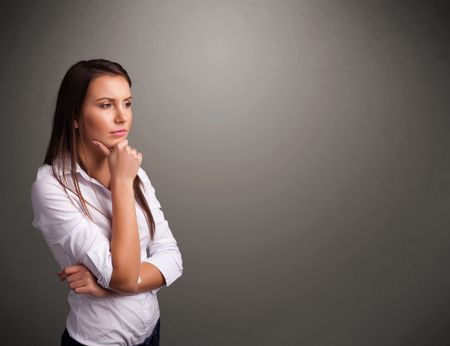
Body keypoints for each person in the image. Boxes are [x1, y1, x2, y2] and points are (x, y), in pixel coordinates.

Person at [30, 59, 183, 346]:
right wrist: (122, 184)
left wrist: (107, 289)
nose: (122, 117)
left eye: (127, 103)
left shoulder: (134, 171)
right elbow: (124, 277)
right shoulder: (51, 187)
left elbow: (172, 257)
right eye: (105, 105)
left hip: (151, 332)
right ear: (75, 116)